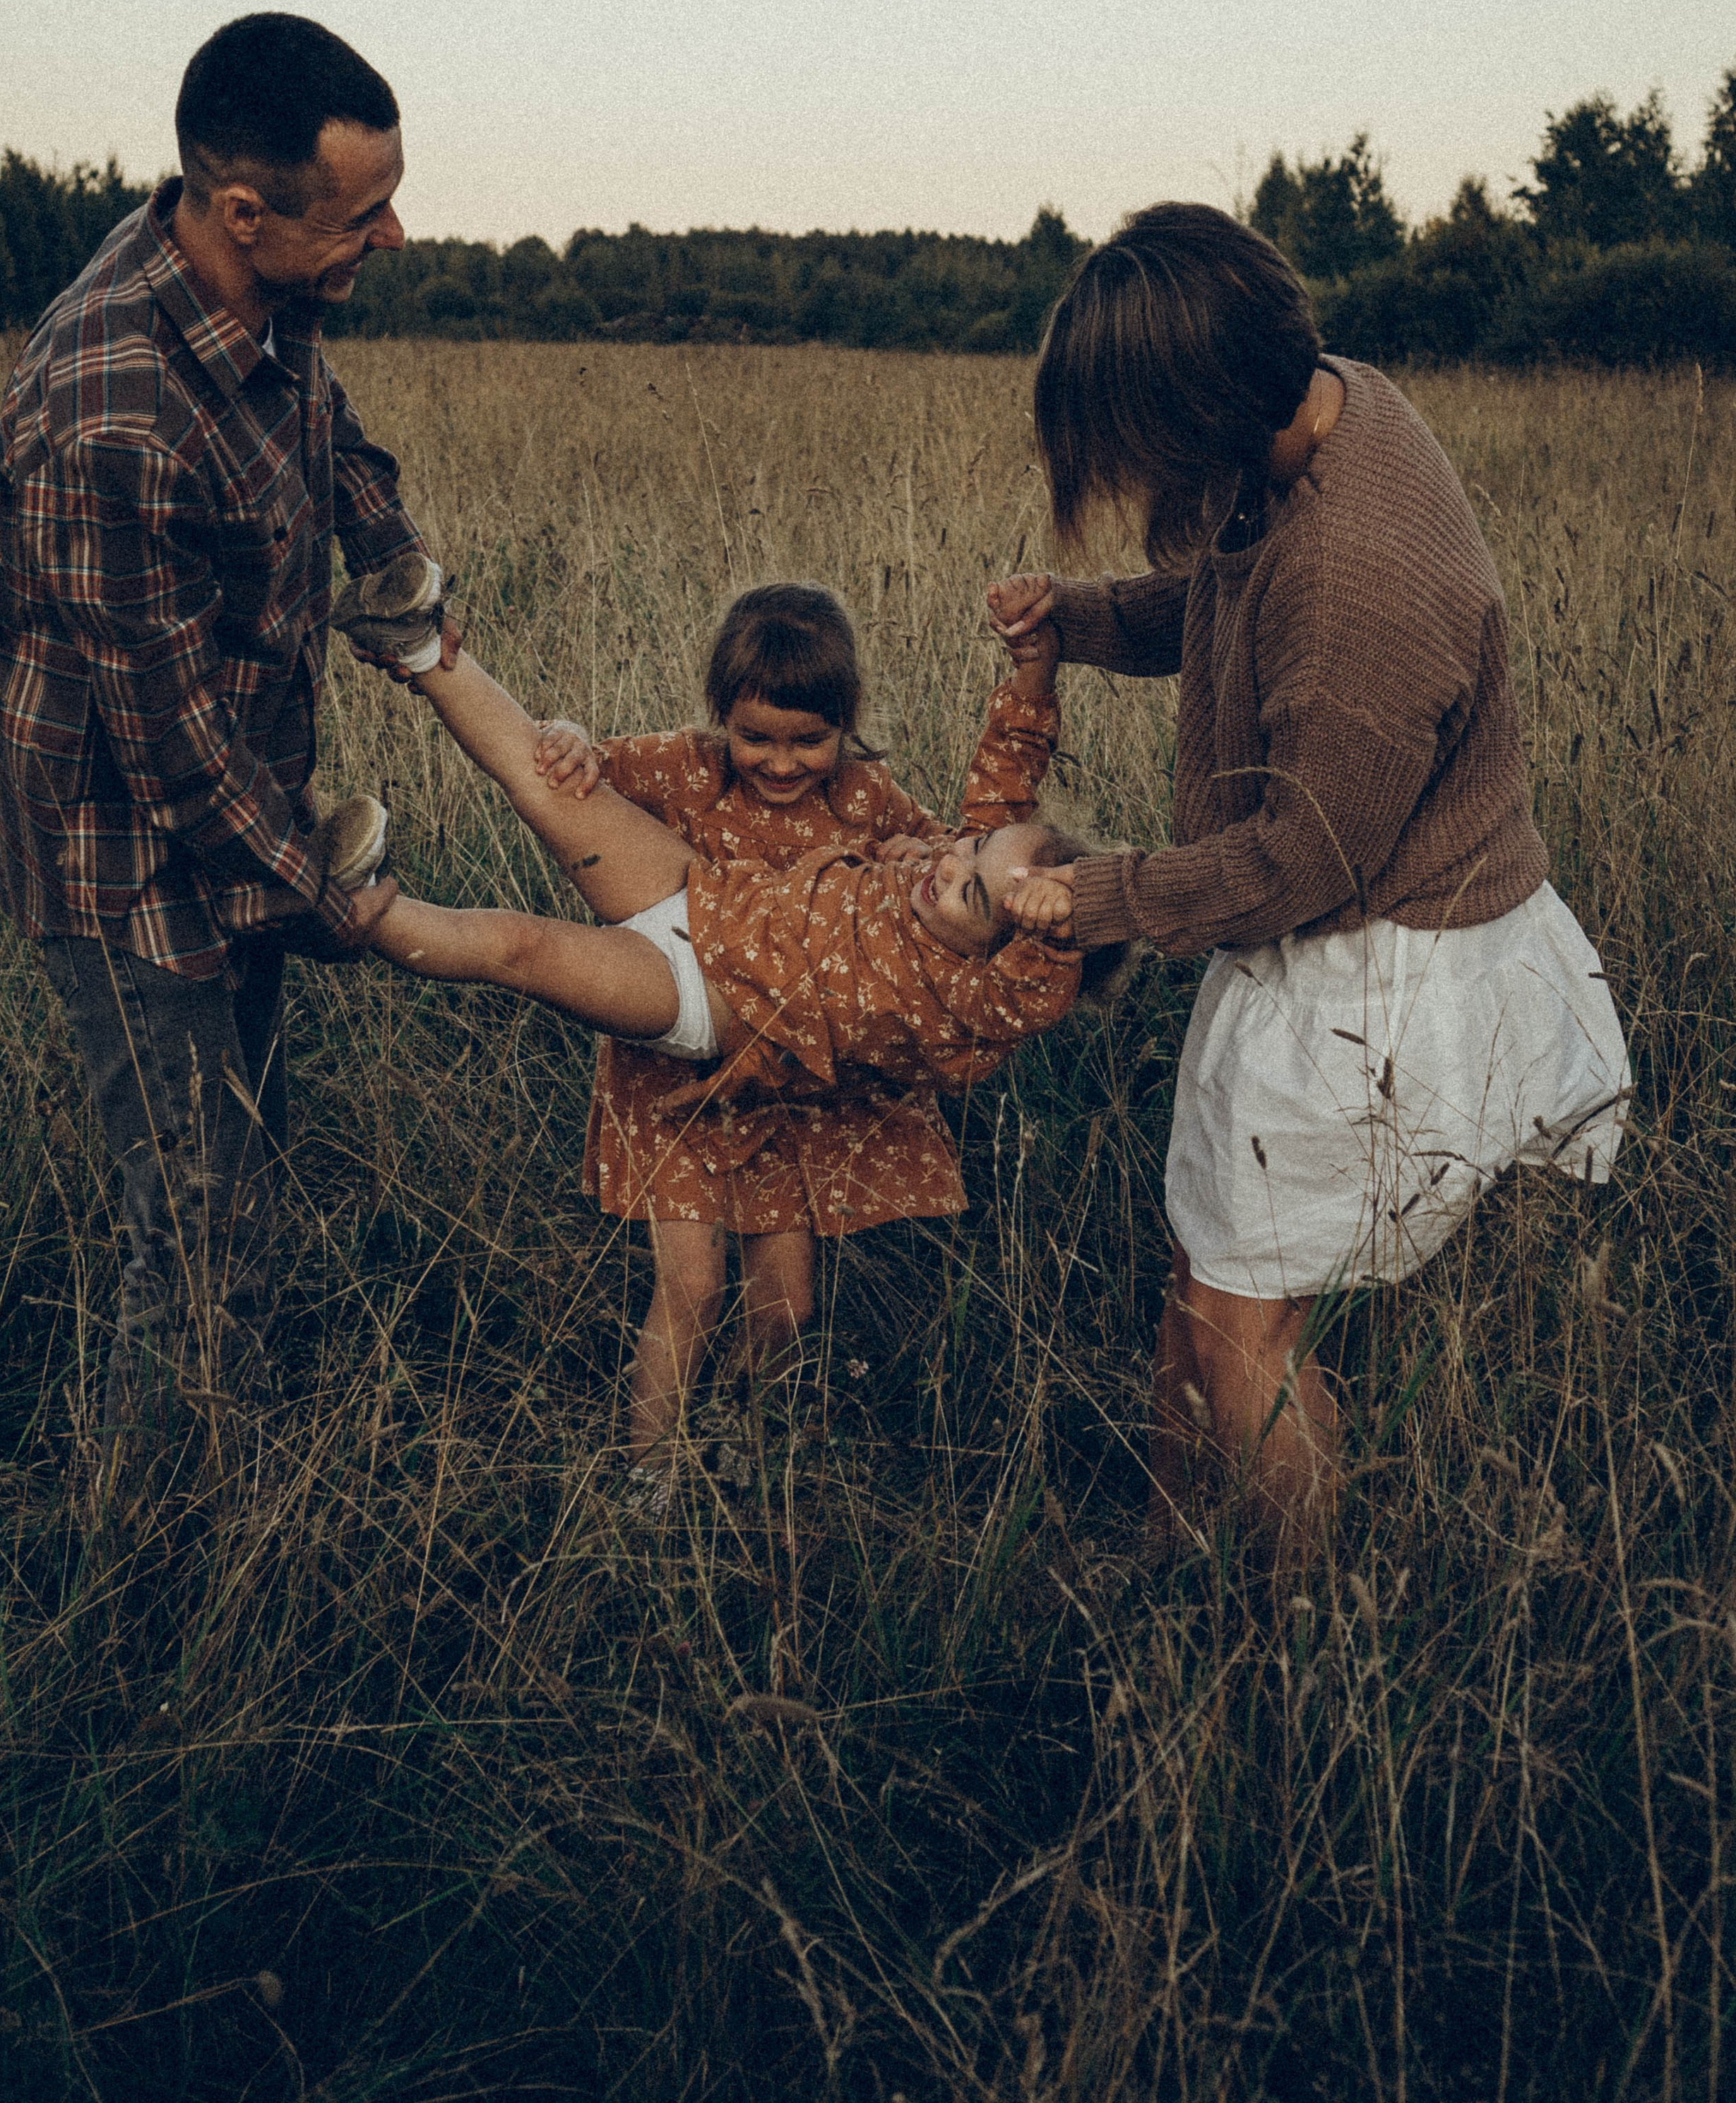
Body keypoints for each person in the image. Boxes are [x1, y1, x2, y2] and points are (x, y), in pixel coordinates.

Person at [989, 201, 1629, 1546]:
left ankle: (1302, 1636)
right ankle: (1170, 1556)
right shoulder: (1327, 404)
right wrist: (1079, 617)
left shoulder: (1357, 576)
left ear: (1200, 419)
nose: (1127, 476)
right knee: (1205, 1271)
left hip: (1381, 971)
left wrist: (1094, 898)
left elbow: (1302, 863)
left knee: (1245, 1331)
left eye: (1134, 445)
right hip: (1322, 939)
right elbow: (1231, 595)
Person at [331, 615, 1112, 1500]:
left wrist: (1063, 923)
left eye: (971, 889)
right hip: (701, 895)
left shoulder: (978, 996)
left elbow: (1040, 981)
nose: (947, 862)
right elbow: (1004, 791)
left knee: (523, 951)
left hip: (702, 1003)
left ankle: (357, 908)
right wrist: (1033, 672)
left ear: (1018, 947)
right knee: (547, 790)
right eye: (968, 850)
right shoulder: (944, 860)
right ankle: (418, 642)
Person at [0, 13, 427, 1449]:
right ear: (241, 209)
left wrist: (388, 552)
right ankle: (154, 1545)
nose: (394, 235)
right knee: (194, 1231)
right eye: (363, 214)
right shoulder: (111, 415)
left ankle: (249, 1452)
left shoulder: (258, 284)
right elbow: (169, 750)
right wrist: (331, 900)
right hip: (123, 859)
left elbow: (319, 416)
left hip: (236, 805)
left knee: (247, 1152)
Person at [507, 581, 1064, 1474]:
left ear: (847, 723)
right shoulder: (686, 768)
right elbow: (588, 774)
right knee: (692, 1289)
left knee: (785, 1309)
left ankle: (744, 1457)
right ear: (720, 716)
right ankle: (648, 1486)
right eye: (755, 737)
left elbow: (971, 852)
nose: (779, 763)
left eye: (809, 740)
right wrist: (570, 736)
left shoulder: (868, 800)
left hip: (791, 1091)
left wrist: (924, 847)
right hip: (679, 1078)